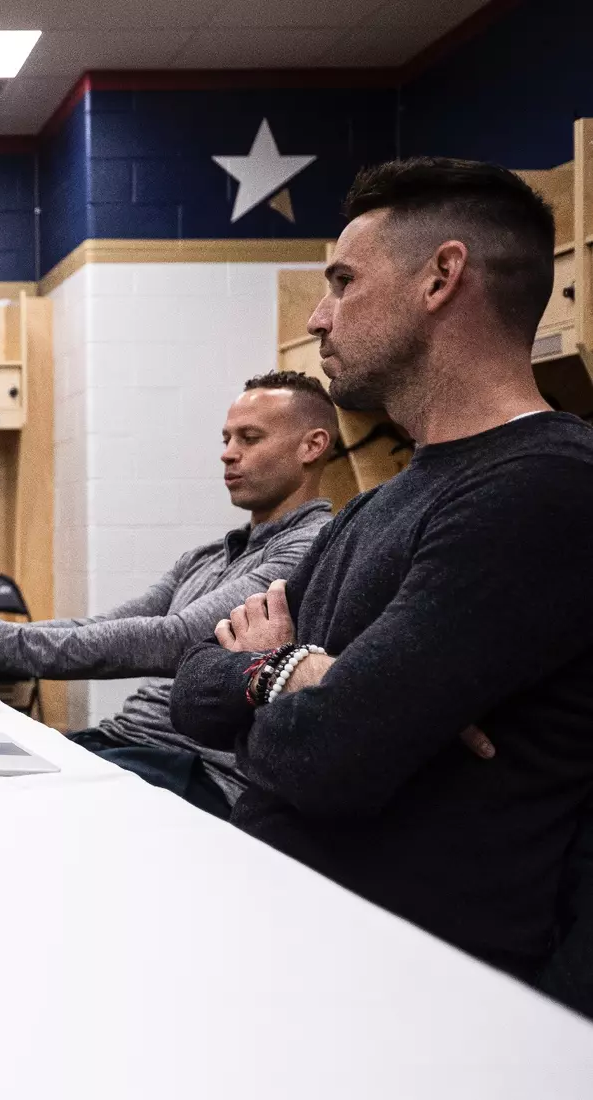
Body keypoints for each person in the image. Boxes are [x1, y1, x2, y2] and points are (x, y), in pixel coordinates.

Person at [169, 158, 593, 985]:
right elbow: (194, 690)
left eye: (343, 282)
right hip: (281, 932)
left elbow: (333, 757)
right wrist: (305, 674)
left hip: (413, 986)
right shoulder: (378, 504)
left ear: (442, 277)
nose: (320, 318)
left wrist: (276, 680)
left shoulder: (543, 486)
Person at [0, 372, 337, 817]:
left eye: (249, 439)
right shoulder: (207, 556)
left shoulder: (314, 547)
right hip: (125, 741)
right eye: (226, 439)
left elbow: (179, 640)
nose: (228, 454)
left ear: (311, 446)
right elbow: (101, 627)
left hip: (194, 771)